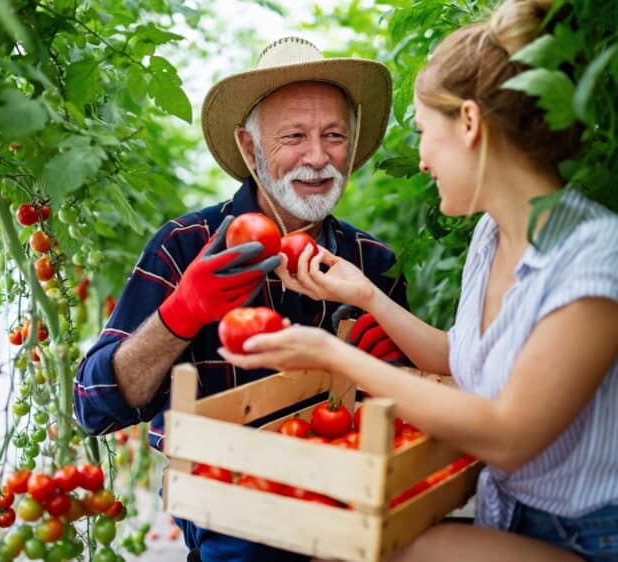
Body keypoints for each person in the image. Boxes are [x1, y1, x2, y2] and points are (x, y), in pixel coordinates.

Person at [219, 2, 618, 562]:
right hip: (510, 515)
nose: (423, 159)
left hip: (590, 536)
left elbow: (506, 436)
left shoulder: (595, 257)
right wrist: (363, 294)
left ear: (471, 125)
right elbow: (460, 358)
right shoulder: (492, 235)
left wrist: (335, 355)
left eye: (425, 132)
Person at [74, 36, 409, 562]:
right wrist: (180, 314)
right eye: (294, 136)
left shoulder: (372, 262)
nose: (319, 157)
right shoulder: (186, 246)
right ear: (250, 148)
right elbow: (94, 406)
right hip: (229, 518)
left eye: (334, 135)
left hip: (350, 509)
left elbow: (403, 408)